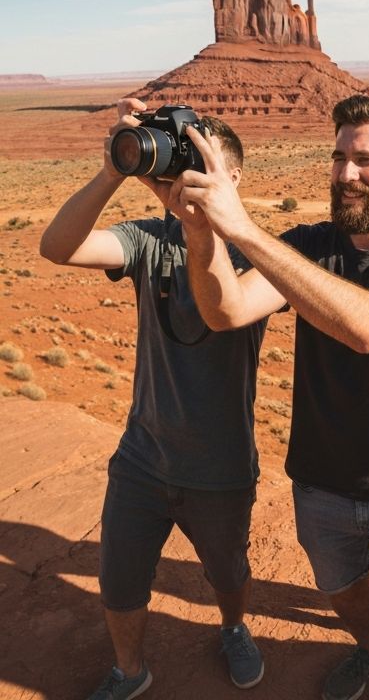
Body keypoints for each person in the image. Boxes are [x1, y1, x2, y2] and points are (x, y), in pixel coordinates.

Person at [174, 94, 369, 700]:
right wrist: (200, 228)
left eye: (365, 159)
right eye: (338, 157)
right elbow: (226, 309)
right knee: (343, 588)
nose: (345, 174)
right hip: (320, 478)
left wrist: (243, 228)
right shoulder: (310, 243)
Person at [39, 99, 267, 700]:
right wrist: (117, 167)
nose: (174, 180)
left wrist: (208, 224)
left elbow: (225, 311)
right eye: (171, 166)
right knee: (119, 580)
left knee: (227, 573)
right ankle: (129, 671)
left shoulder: (258, 252)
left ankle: (235, 627)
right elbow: (57, 248)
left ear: (231, 174)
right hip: (143, 458)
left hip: (219, 466)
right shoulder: (147, 240)